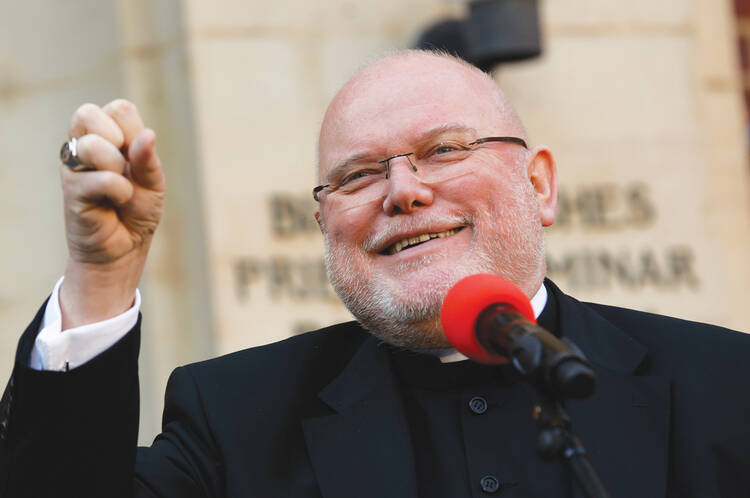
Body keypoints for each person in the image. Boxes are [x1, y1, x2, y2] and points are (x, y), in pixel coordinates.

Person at [1, 50, 750, 498]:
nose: (403, 190)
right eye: (357, 175)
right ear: (326, 225)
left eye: (446, 150)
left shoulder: (726, 386)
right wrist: (102, 274)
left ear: (541, 186)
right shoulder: (233, 417)